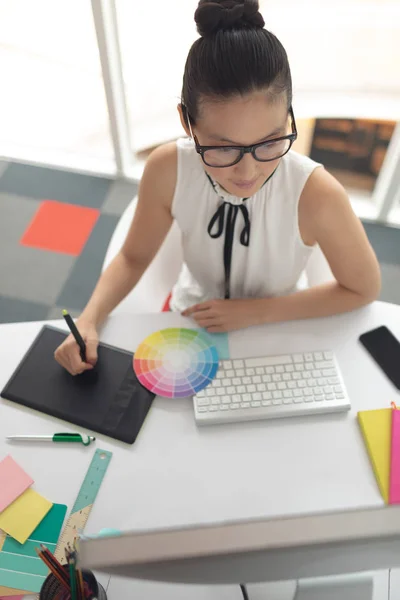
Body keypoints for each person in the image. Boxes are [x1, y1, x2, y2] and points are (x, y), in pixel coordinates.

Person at [55, 0, 381, 376]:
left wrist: (253, 312)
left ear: (289, 114)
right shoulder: (168, 169)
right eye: (223, 148)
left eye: (270, 141)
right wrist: (90, 318)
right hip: (193, 317)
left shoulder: (315, 192)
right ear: (186, 122)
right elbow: (133, 257)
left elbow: (363, 288)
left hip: (284, 328)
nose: (248, 171)